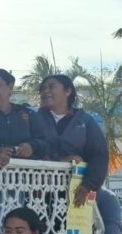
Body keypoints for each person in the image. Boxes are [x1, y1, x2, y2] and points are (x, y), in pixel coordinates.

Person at [37, 73, 108, 207]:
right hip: (40, 193)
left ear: (68, 91)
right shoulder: (33, 119)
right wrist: (61, 161)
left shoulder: (85, 121)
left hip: (77, 192)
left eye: (51, 87)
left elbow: (99, 155)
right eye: (43, 88)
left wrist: (87, 185)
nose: (46, 91)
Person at [0, 69, 47, 165]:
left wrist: (32, 147)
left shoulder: (26, 114)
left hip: (26, 171)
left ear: (10, 87)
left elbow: (45, 143)